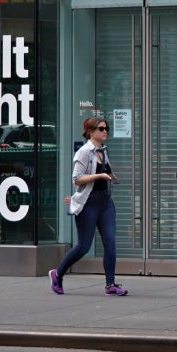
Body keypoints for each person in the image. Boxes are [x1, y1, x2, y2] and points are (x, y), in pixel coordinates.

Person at [49, 117, 128, 296]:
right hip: (88, 203)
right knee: (83, 246)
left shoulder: (103, 151)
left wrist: (111, 176)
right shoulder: (84, 152)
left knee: (110, 243)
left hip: (105, 203)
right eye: (101, 128)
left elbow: (103, 171)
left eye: (106, 128)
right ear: (91, 131)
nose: (105, 131)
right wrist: (99, 177)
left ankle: (111, 285)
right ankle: (57, 273)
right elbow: (76, 179)